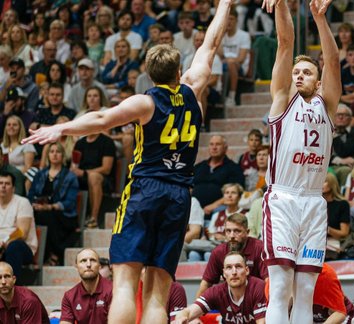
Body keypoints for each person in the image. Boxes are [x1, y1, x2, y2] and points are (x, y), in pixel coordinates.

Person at [22, 0, 234, 321]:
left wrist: (61, 128)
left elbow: (102, 118)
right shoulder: (194, 88)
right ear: (179, 71)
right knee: (158, 291)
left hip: (144, 190)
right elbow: (211, 42)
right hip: (179, 195)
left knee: (123, 283)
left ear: (148, 74)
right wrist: (226, 3)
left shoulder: (145, 102)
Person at [261, 0, 340, 321]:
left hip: (313, 201)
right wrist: (280, 4)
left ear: (318, 82)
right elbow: (285, 43)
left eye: (306, 72)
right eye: (295, 71)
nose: (298, 76)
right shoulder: (283, 99)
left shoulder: (327, 104)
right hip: (283, 197)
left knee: (306, 291)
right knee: (280, 287)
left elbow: (333, 60)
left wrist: (320, 19)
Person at [173, 252, 267, 323]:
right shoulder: (216, 292)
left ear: (246, 270)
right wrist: (180, 319)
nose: (234, 272)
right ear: (224, 273)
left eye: (238, 267)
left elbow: (262, 323)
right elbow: (188, 312)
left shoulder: (258, 287)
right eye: (229, 267)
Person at [28, 142, 79, 266]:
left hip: (64, 215)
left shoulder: (70, 176)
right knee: (35, 216)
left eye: (58, 151)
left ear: (63, 155)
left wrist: (50, 207)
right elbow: (31, 194)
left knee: (46, 216)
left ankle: (52, 254)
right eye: (52, 151)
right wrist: (33, 205)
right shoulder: (40, 174)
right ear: (48, 155)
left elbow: (69, 203)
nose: (54, 154)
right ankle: (41, 255)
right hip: (40, 210)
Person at [196, 213, 268, 297]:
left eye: (237, 231)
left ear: (247, 232)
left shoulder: (259, 248)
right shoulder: (218, 252)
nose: (232, 236)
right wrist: (196, 307)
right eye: (228, 231)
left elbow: (268, 281)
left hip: (258, 297)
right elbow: (206, 284)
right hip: (232, 299)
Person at [60, 249, 113, 324]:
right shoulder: (69, 296)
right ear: (76, 266)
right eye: (83, 261)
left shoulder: (113, 290)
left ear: (99, 266)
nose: (88, 264)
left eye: (93, 260)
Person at [0, 171, 37, 278]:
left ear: (13, 188)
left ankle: (14, 289)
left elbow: (22, 233)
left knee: (14, 247)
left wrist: (4, 244)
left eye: (7, 184)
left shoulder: (22, 203)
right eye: (0, 183)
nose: (3, 186)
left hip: (21, 247)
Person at [332, 104, 354, 185]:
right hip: (329, 165)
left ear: (350, 118)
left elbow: (345, 152)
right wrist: (339, 160)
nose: (340, 117)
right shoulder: (325, 131)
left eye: (344, 115)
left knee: (345, 171)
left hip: (348, 166)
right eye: (338, 115)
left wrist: (335, 136)